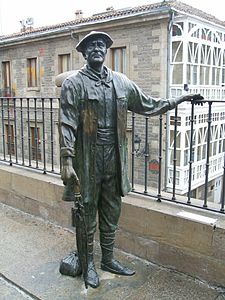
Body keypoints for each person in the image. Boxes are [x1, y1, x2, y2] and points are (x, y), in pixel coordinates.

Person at [59, 31, 203, 288]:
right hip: (88, 159)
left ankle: (109, 259)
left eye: (101, 45)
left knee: (112, 208)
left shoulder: (121, 82)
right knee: (87, 210)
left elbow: (149, 105)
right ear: (83, 52)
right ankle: (89, 263)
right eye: (91, 45)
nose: (97, 48)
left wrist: (179, 99)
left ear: (107, 50)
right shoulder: (74, 83)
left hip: (115, 157)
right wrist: (67, 160)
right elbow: (67, 123)